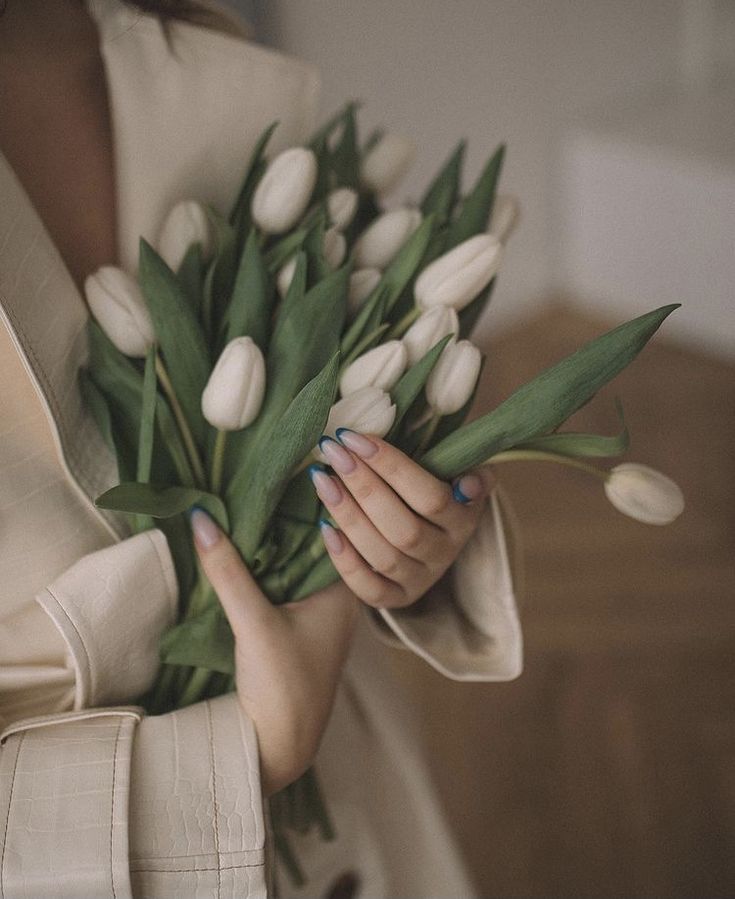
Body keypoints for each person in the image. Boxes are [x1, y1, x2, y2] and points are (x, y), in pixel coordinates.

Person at [0, 0, 522, 895]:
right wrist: (242, 756)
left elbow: (320, 375)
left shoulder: (191, 46)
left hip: (345, 774)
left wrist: (394, 543)